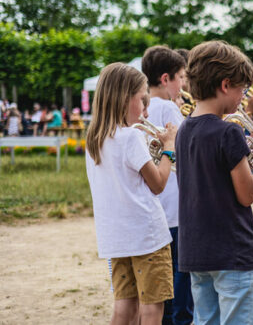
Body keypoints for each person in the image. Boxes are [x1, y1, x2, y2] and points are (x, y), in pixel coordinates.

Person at [176, 41, 253, 324]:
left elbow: (213, 177)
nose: (243, 99)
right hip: (231, 250)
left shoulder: (184, 129)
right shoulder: (228, 132)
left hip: (197, 250)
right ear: (225, 84)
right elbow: (246, 194)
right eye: (241, 90)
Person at [85, 63, 178, 325]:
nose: (146, 111)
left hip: (116, 238)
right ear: (125, 98)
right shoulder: (130, 137)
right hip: (147, 236)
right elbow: (159, 184)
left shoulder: (94, 138)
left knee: (124, 306)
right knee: (151, 310)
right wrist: (168, 148)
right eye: (142, 100)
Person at [141, 45, 193, 325]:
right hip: (174, 207)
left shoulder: (144, 107)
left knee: (161, 281)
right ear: (165, 79)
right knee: (180, 278)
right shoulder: (169, 109)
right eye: (181, 77)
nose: (183, 84)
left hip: (155, 205)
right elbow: (188, 153)